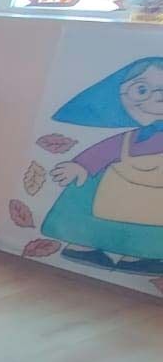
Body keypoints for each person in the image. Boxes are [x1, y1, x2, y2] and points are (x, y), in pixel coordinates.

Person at [42, 57, 163, 274]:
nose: (153, 100)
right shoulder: (129, 138)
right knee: (87, 186)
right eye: (141, 90)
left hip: (155, 197)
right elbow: (105, 150)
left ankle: (139, 257)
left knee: (150, 223)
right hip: (118, 188)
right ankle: (84, 245)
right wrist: (81, 165)